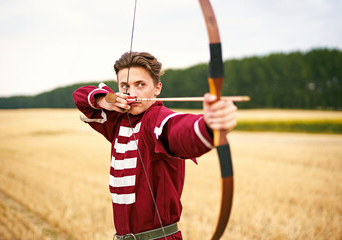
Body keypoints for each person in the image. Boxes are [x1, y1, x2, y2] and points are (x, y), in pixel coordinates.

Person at [72, 51, 238, 240]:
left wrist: (210, 124)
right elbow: (80, 96)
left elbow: (180, 130)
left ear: (157, 88)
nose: (131, 93)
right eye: (124, 86)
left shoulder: (157, 120)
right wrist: (105, 100)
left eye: (140, 85)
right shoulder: (117, 121)